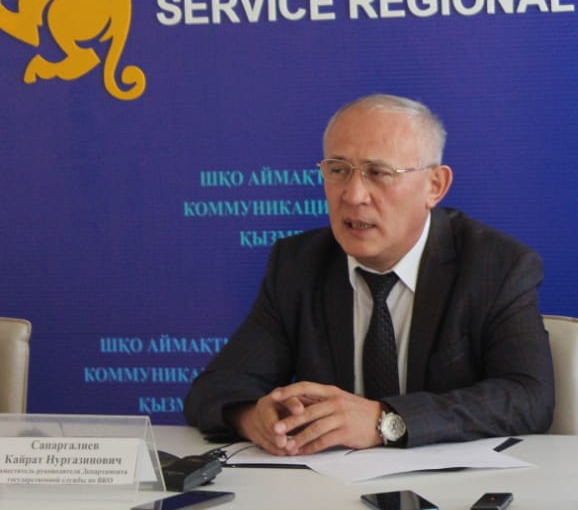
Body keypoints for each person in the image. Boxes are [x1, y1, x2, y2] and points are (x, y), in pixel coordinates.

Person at [185, 94, 554, 454]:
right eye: (338, 171)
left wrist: (386, 420)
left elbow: (528, 397)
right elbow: (217, 386)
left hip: (453, 487)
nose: (353, 195)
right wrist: (253, 417)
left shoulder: (495, 266)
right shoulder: (298, 265)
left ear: (434, 186)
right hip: (329, 488)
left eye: (378, 173)